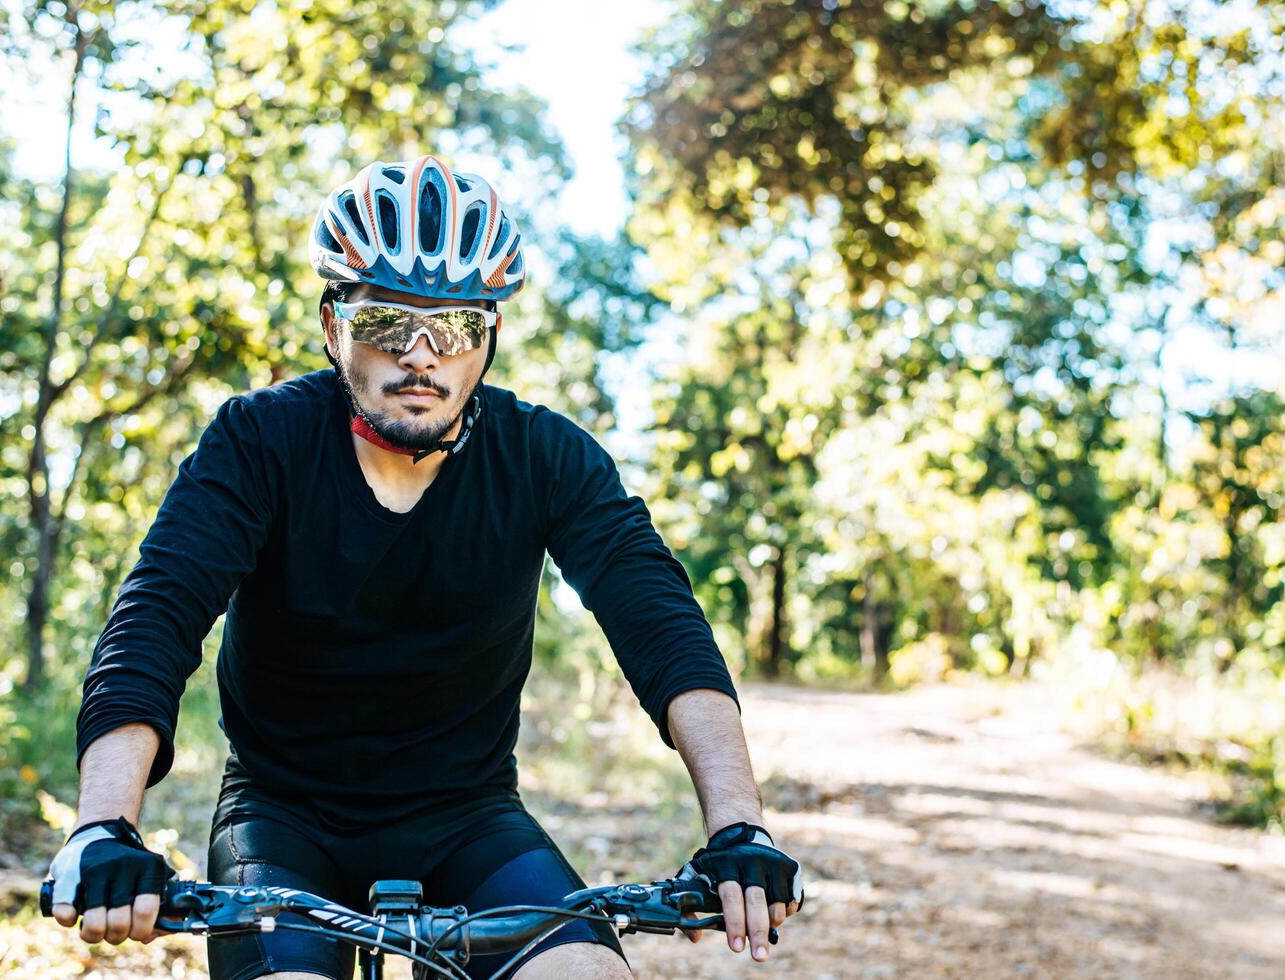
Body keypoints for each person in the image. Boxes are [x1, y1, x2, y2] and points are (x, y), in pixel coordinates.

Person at [44, 155, 803, 980]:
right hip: (279, 819)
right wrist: (102, 826)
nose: (421, 355)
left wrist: (738, 827)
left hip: (470, 821)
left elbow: (661, 625)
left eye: (455, 328)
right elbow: (156, 617)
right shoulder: (258, 441)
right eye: (385, 324)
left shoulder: (546, 458)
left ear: (489, 341)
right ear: (335, 328)